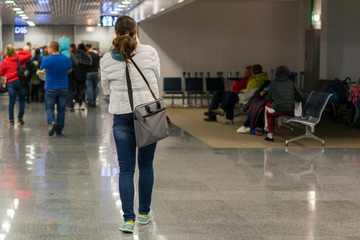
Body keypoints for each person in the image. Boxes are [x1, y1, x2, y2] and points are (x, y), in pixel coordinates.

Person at [100, 16, 160, 233]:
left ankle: (128, 220)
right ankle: (144, 213)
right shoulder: (150, 52)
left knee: (125, 169)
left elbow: (106, 90)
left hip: (122, 116)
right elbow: (156, 77)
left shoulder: (106, 59)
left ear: (115, 34)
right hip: (148, 114)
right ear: (136, 31)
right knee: (146, 165)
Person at [40, 41, 72, 136]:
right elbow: (70, 69)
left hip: (50, 87)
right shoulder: (66, 59)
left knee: (49, 107)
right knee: (61, 109)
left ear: (52, 49)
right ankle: (59, 131)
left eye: (49, 48)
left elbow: (42, 70)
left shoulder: (46, 60)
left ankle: (51, 122)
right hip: (63, 86)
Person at [264, 66, 302, 142]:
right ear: (287, 73)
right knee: (270, 108)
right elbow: (300, 96)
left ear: (276, 73)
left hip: (277, 110)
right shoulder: (291, 82)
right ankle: (269, 129)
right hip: (291, 111)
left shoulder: (273, 83)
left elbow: (269, 98)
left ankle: (270, 134)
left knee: (268, 111)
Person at [0, 44, 32, 125]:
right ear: (14, 50)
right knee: (22, 100)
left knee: (12, 101)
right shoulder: (19, 58)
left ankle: (11, 120)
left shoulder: (5, 61)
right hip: (21, 82)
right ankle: (20, 118)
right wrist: (19, 52)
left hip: (11, 83)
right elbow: (29, 54)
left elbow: (1, 72)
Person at [75, 43, 92, 109]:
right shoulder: (87, 54)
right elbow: (90, 63)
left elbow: (75, 62)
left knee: (77, 89)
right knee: (83, 89)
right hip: (84, 74)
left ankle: (76, 103)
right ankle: (83, 103)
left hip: (76, 74)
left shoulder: (77, 53)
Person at [85, 43, 100, 108]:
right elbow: (99, 64)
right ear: (91, 47)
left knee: (89, 88)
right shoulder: (96, 55)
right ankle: (94, 101)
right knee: (95, 87)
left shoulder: (86, 55)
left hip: (88, 73)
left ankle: (91, 102)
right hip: (96, 72)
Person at [67, 43, 78, 111]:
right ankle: (70, 105)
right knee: (69, 90)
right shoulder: (70, 54)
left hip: (59, 74)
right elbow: (76, 62)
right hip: (69, 73)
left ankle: (61, 105)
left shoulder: (58, 53)